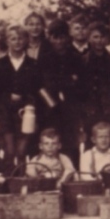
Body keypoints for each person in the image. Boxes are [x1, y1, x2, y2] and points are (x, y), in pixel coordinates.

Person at [0, 24, 42, 164]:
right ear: (7, 41)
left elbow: (37, 91)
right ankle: (8, 183)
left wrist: (34, 116)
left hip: (27, 112)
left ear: (26, 40)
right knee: (9, 150)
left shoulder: (33, 64)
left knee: (22, 151)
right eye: (13, 39)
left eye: (20, 38)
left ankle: (22, 182)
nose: (17, 42)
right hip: (5, 112)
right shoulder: (0, 64)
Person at [36, 19, 84, 166]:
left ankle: (70, 171)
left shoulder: (74, 55)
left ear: (67, 37)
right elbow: (40, 84)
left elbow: (79, 81)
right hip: (49, 107)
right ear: (49, 38)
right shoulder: (44, 55)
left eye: (62, 37)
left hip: (70, 105)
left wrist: (68, 84)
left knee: (70, 141)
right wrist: (53, 103)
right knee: (51, 139)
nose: (59, 41)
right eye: (55, 37)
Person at [82, 22, 110, 148]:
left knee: (108, 142)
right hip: (89, 111)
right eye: (95, 37)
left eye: (102, 37)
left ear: (107, 39)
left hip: (108, 110)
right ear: (89, 38)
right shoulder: (82, 60)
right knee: (90, 143)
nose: (99, 40)